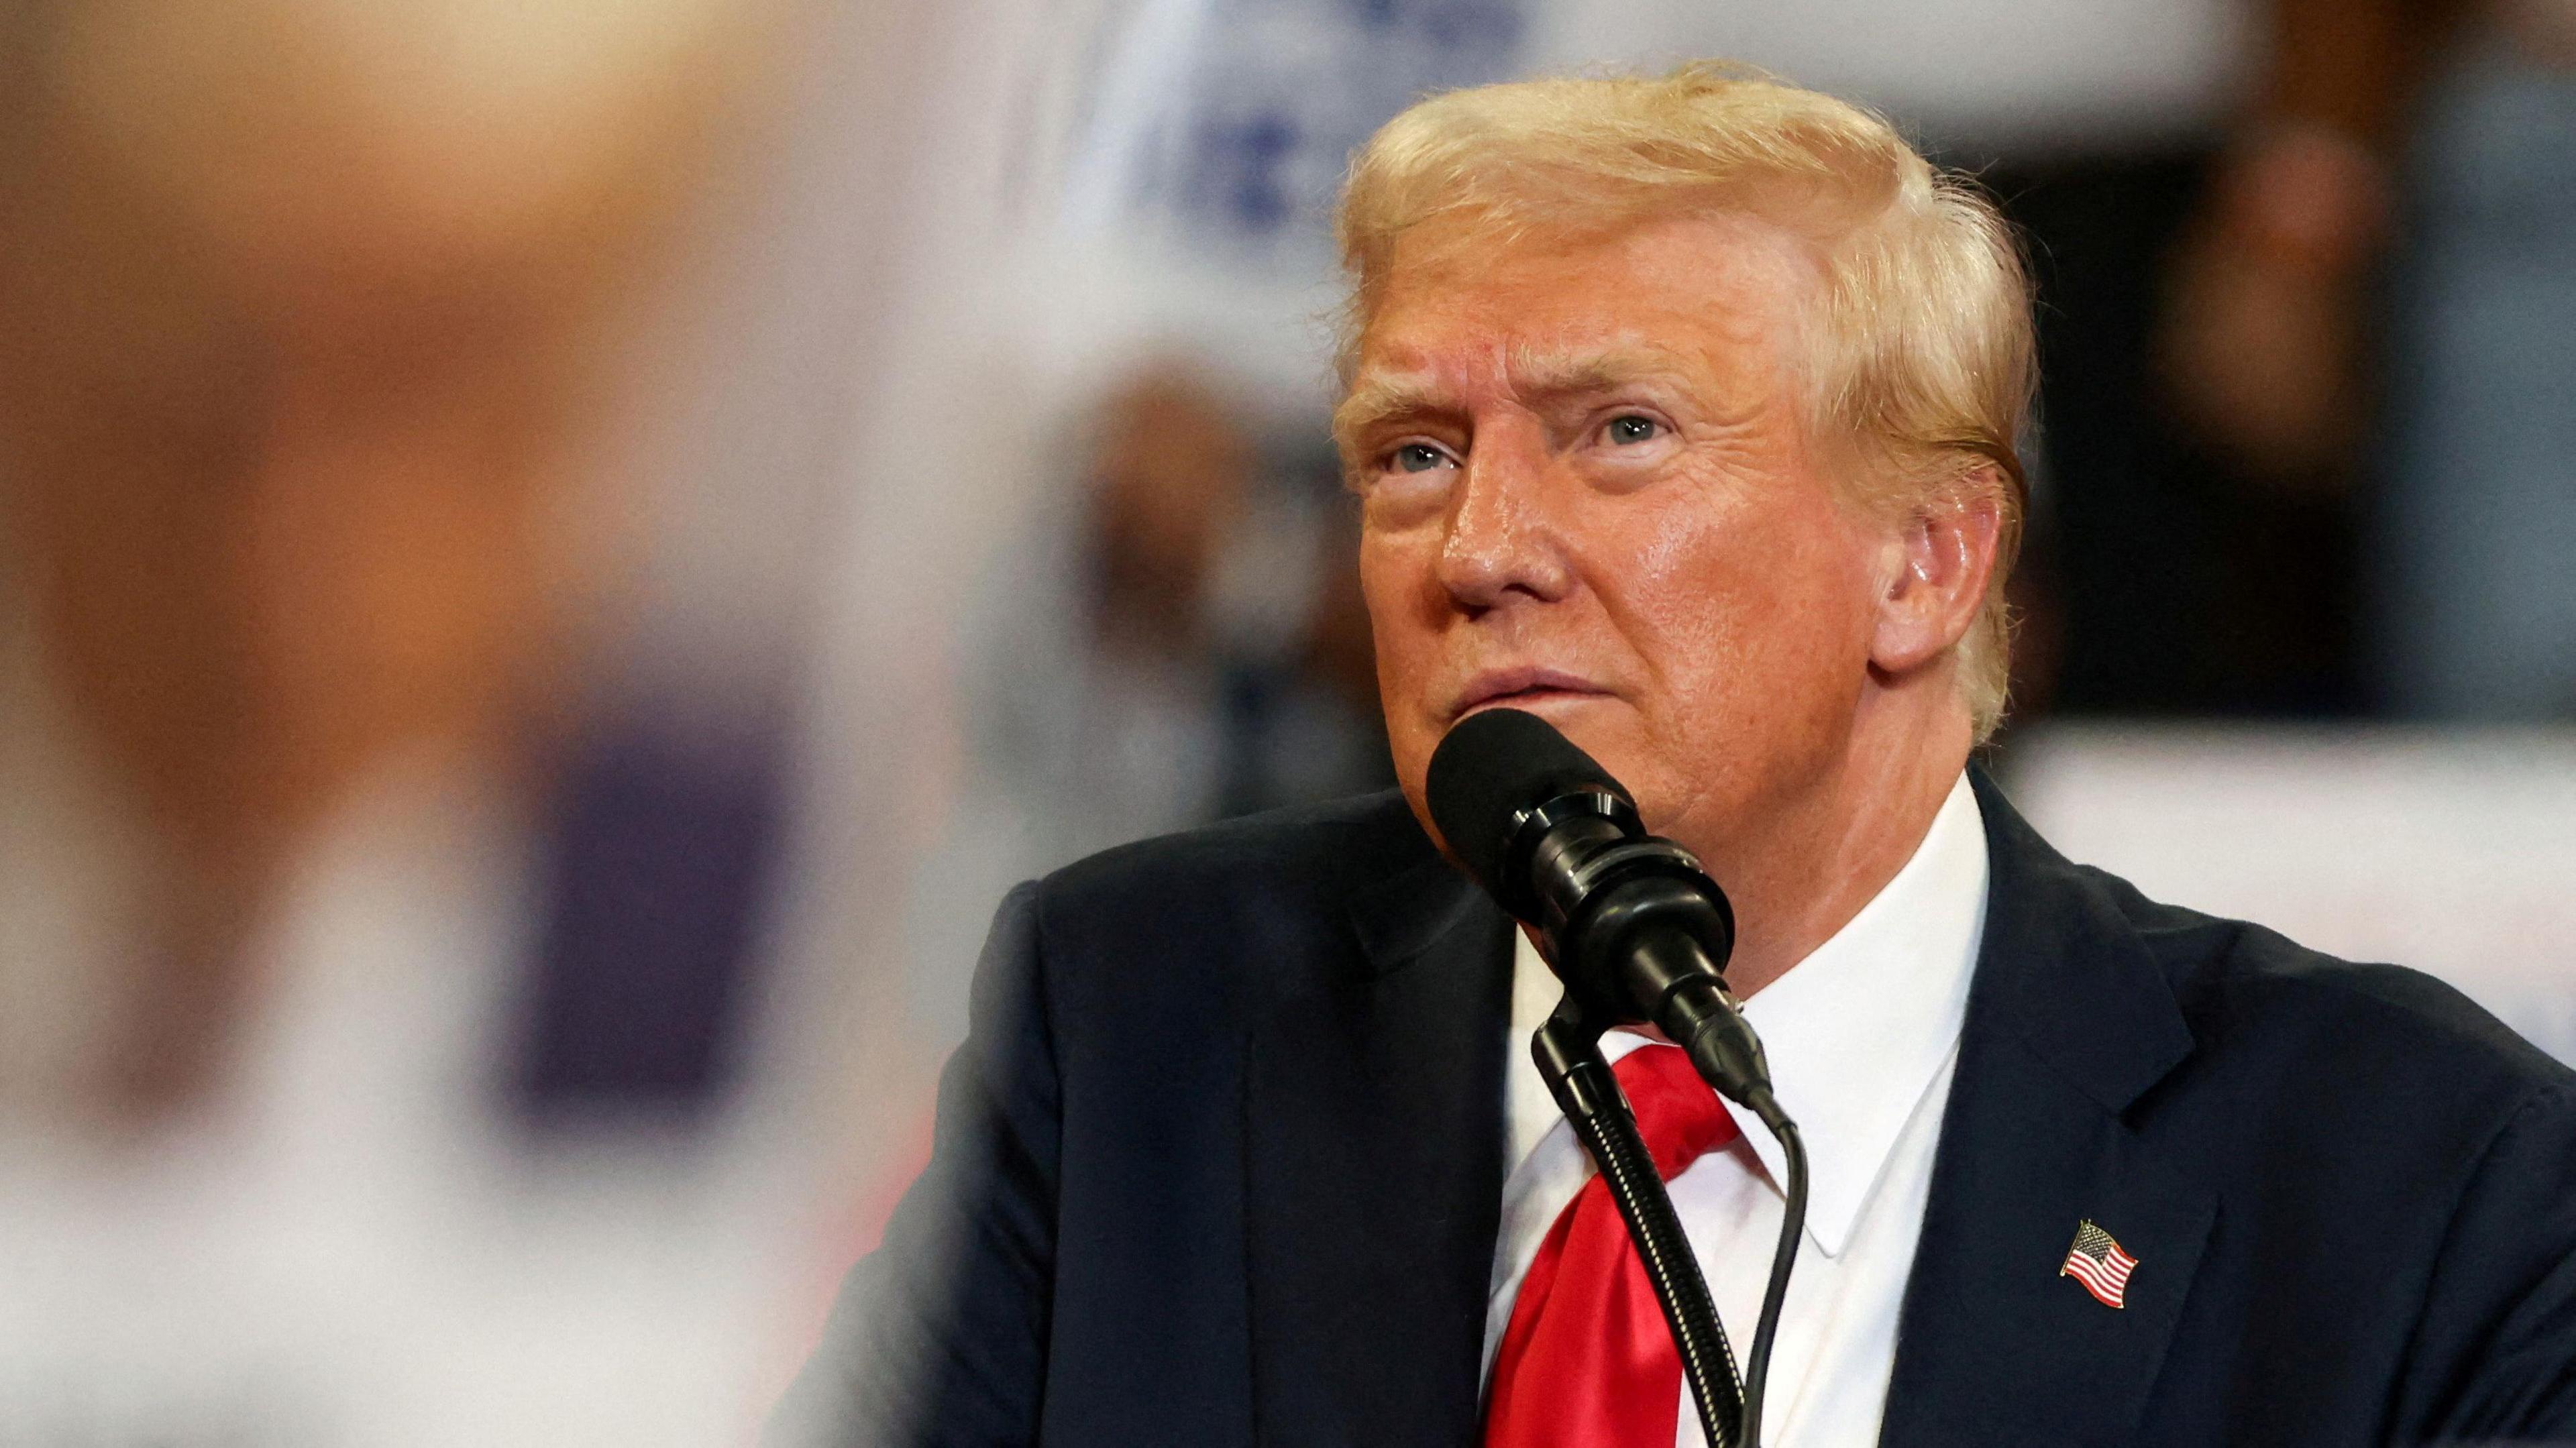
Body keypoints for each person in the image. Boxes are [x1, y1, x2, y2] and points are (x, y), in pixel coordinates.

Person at [777, 65, 2576, 1447]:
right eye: (1412, 453)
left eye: (1618, 434)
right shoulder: (1133, 1028)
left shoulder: (2411, 1183)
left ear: (1928, 560)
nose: (1476, 548)